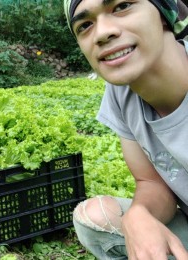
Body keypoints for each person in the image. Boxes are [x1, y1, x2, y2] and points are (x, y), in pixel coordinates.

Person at [63, 0, 188, 259]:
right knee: (96, 217)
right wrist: (139, 213)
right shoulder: (121, 93)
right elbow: (150, 181)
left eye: (121, 7)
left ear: (163, 14)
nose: (101, 33)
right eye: (85, 25)